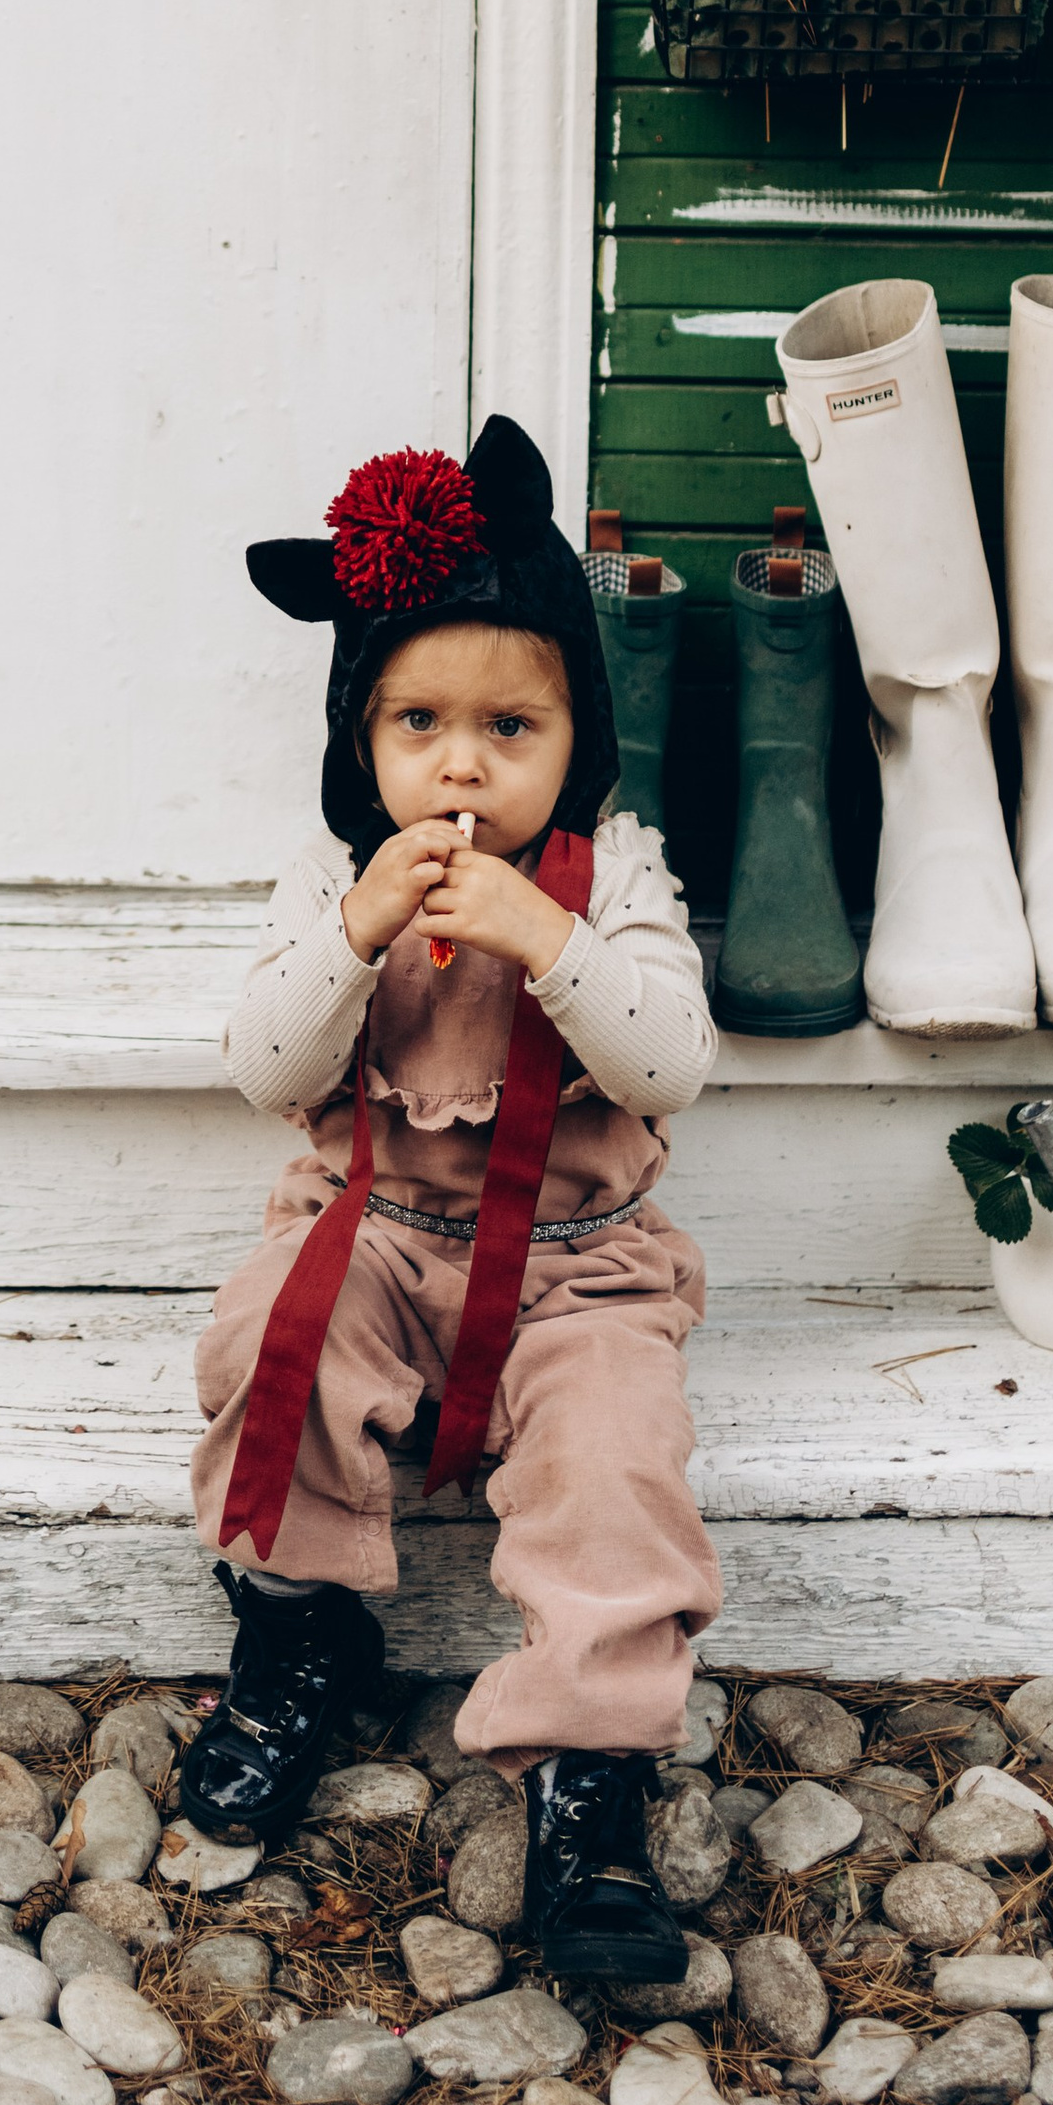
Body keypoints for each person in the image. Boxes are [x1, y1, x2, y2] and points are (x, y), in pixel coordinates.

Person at [179, 416, 721, 1980]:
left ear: (577, 742)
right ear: (363, 740)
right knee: (273, 1337)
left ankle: (588, 1778)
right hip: (378, 1239)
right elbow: (263, 1065)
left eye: (511, 724)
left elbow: (672, 1063)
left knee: (618, 1463)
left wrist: (548, 944)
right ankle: (297, 1639)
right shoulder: (330, 879)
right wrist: (351, 932)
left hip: (578, 1269)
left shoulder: (611, 877)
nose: (464, 761)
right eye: (419, 720)